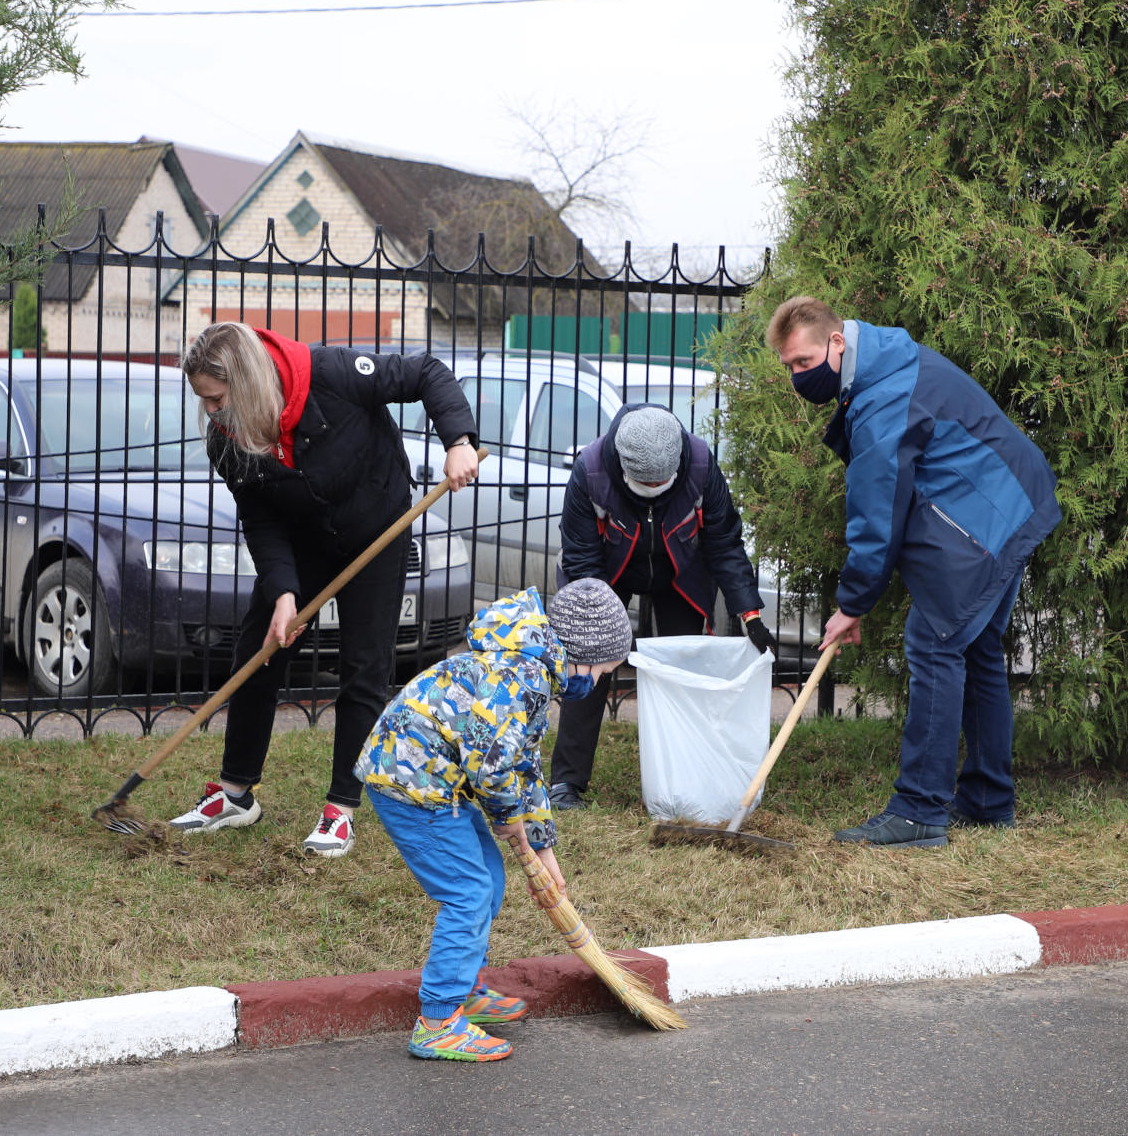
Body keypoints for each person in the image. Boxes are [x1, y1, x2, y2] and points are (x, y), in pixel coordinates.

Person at [168, 321, 481, 857]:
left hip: (375, 529)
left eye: (218, 399)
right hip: (303, 538)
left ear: (245, 381)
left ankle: (341, 808)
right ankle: (237, 792)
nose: (213, 412)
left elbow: (427, 373)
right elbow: (259, 517)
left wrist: (459, 441)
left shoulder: (331, 374)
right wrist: (284, 592)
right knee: (260, 651)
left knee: (365, 664)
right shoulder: (226, 440)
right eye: (204, 401)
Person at [767, 296, 1061, 847]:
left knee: (934, 643)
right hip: (1009, 503)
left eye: (803, 363)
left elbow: (877, 513)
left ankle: (920, 812)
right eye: (789, 368)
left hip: (987, 516)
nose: (797, 378)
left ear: (836, 343)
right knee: (976, 650)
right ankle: (989, 802)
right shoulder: (882, 360)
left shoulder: (884, 397)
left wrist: (852, 604)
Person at [358, 579, 631, 1061]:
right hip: (409, 783)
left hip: (437, 778)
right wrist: (509, 818)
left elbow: (524, 766)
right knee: (468, 892)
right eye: (605, 670)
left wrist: (544, 852)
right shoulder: (519, 679)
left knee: (491, 877)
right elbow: (491, 767)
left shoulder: (534, 672)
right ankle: (438, 1021)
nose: (600, 682)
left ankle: (464, 989)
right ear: (583, 655)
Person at [550, 403, 769, 809]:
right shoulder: (592, 470)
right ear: (624, 467)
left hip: (680, 573)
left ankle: (686, 775)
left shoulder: (701, 464)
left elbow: (724, 544)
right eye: (645, 483)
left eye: (662, 482)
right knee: (589, 663)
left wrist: (749, 613)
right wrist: (599, 627)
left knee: (683, 667)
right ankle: (566, 783)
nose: (654, 488)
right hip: (606, 573)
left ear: (678, 464)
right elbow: (581, 559)